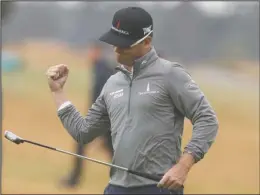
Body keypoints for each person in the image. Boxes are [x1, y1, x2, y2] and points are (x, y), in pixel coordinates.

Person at [46, 7, 219, 195]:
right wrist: (58, 93)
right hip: (116, 188)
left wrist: (183, 166)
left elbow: (207, 119)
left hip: (159, 188)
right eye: (114, 42)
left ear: (147, 41)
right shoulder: (112, 83)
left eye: (125, 44)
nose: (117, 49)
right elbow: (83, 132)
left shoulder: (170, 74)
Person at [60, 42, 114, 188]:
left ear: (97, 52)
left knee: (85, 143)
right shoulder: (99, 67)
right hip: (102, 118)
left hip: (104, 118)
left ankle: (74, 179)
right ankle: (74, 178)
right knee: (111, 151)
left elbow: (103, 96)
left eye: (91, 51)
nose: (89, 54)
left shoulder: (103, 70)